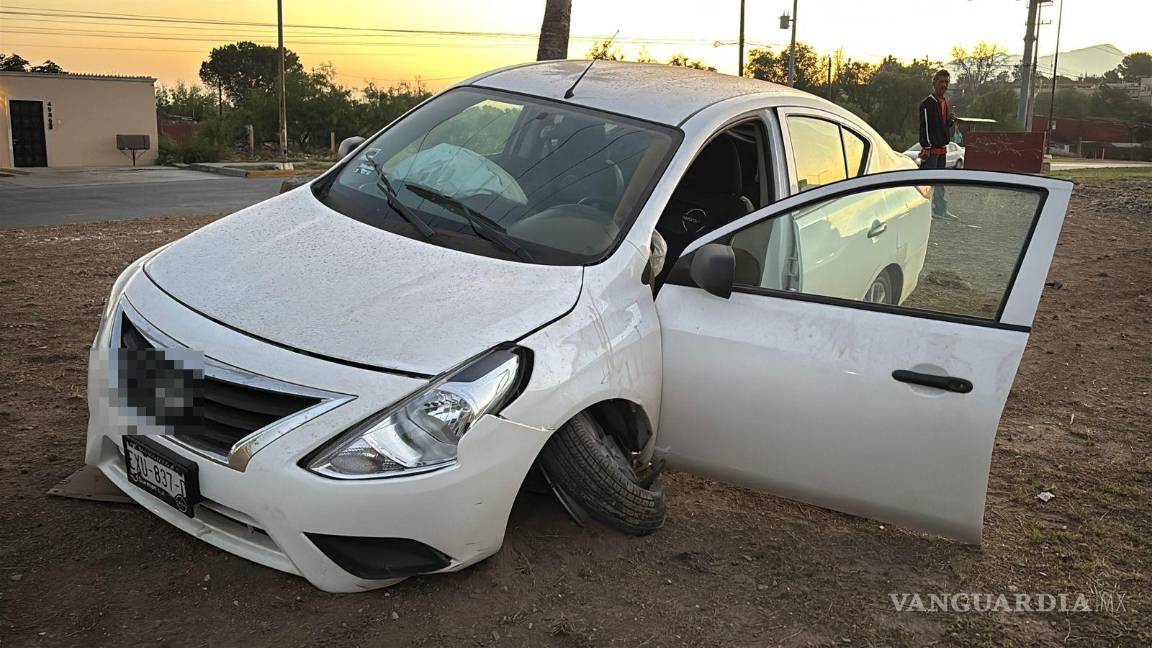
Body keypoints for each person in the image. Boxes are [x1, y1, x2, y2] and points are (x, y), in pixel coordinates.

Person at [918, 69, 958, 220]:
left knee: (940, 182)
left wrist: (950, 121)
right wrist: (926, 147)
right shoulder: (927, 104)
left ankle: (941, 209)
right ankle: (924, 211)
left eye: (946, 82)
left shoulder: (944, 103)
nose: (944, 85)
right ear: (934, 83)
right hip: (931, 151)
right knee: (927, 183)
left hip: (942, 150)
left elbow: (942, 126)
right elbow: (926, 127)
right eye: (941, 81)